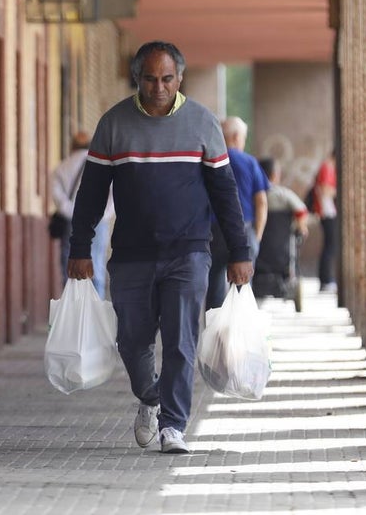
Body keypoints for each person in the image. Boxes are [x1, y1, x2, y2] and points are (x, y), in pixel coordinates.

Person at [66, 41, 252, 455]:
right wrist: (80, 248)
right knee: (132, 342)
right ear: (138, 78)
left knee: (181, 340)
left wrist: (240, 252)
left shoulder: (203, 124)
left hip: (188, 252)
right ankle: (150, 397)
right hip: (131, 254)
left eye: (167, 78)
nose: (158, 87)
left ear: (179, 78)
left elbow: (225, 194)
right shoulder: (114, 124)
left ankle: (173, 425)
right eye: (150, 78)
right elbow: (92, 193)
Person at [205, 116, 269, 310]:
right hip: (244, 231)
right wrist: (256, 235)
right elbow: (262, 201)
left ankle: (215, 332)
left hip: (214, 232)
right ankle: (240, 332)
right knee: (243, 286)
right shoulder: (249, 162)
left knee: (214, 282)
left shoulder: (209, 163)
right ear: (235, 137)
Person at [50, 132, 114, 298]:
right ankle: (96, 311)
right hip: (98, 223)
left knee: (70, 268)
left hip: (70, 222)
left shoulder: (62, 167)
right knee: (97, 265)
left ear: (71, 146)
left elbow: (57, 196)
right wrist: (103, 214)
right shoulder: (101, 165)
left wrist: (73, 212)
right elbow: (113, 194)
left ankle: (73, 310)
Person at [258, 157, 309, 237]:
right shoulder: (283, 194)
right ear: (274, 175)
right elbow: (302, 211)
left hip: (258, 242)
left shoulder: (253, 195)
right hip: (284, 243)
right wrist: (301, 227)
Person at [312, 149, 338, 292]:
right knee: (330, 246)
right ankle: (326, 279)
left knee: (330, 245)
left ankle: (326, 279)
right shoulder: (327, 167)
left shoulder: (326, 166)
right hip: (327, 212)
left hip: (327, 212)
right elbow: (326, 190)